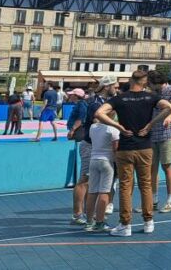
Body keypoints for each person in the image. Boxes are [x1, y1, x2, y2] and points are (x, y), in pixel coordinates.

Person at [93, 68, 171, 237]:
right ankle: (148, 222)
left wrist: (118, 126)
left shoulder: (120, 99)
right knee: (145, 184)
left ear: (131, 80)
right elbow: (169, 107)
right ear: (145, 82)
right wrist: (151, 124)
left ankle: (125, 224)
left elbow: (99, 113)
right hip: (145, 147)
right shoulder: (151, 97)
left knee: (125, 186)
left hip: (126, 148)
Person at [148, 70, 171, 214]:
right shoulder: (151, 93)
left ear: (155, 82)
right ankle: (153, 200)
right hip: (152, 134)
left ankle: (170, 201)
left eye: (150, 83)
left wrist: (170, 117)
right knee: (152, 168)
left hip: (168, 133)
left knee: (166, 166)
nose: (148, 85)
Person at [84, 75, 118, 217]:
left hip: (97, 152)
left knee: (96, 187)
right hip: (98, 149)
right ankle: (97, 218)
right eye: (115, 87)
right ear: (107, 86)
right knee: (100, 187)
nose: (117, 89)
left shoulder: (105, 102)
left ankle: (90, 217)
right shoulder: (96, 104)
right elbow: (97, 120)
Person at [84, 107, 120, 233]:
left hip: (93, 160)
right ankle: (99, 222)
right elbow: (115, 149)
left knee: (92, 192)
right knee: (104, 192)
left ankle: (89, 221)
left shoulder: (93, 127)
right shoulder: (113, 129)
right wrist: (118, 165)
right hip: (107, 161)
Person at [66, 88, 90, 225]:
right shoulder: (82, 104)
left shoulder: (81, 105)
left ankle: (79, 212)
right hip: (82, 134)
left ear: (76, 96)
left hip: (80, 133)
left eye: (72, 95)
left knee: (84, 178)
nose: (70, 97)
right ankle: (84, 211)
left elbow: (80, 119)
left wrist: (72, 130)